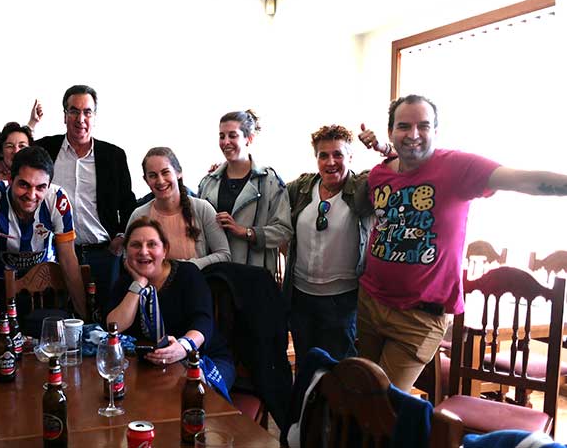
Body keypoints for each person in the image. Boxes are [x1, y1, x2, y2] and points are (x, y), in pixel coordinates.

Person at [356, 94, 567, 391]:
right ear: (390, 131)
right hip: (369, 304)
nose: (414, 134)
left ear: (436, 131)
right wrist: (383, 149)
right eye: (403, 126)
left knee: (381, 401)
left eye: (423, 126)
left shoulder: (456, 167)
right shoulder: (379, 174)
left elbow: (520, 179)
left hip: (419, 318)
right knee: (359, 389)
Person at [0, 146, 87, 345]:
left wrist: (84, 317)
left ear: (49, 185)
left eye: (40, 187)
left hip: (42, 286)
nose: (31, 195)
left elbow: (68, 259)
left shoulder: (58, 199)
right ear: (10, 179)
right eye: (24, 185)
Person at [106, 216, 235, 395]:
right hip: (154, 366)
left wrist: (183, 347)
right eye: (135, 245)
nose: (143, 251)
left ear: (165, 250)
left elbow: (203, 322)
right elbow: (114, 327)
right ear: (127, 251)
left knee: (190, 394)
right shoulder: (125, 283)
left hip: (204, 358)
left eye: (152, 244)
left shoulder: (187, 274)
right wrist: (139, 285)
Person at [34, 86, 137, 309]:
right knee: (56, 318)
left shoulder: (113, 156)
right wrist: (31, 124)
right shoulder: (45, 149)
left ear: (94, 116)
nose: (80, 119)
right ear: (64, 115)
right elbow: (15, 153)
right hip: (53, 254)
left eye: (87, 112)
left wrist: (121, 236)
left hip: (102, 254)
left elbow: (128, 203)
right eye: (74, 111)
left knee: (104, 317)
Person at [285, 125, 375, 361]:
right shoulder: (301, 188)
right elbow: (270, 191)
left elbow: (398, 172)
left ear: (350, 157)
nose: (330, 162)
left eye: (338, 154)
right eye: (323, 155)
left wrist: (382, 147)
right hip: (301, 297)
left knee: (338, 369)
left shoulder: (362, 188)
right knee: (306, 364)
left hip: (342, 301)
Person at [198, 110, 292, 275]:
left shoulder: (270, 181)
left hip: (253, 275)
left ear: (249, 138)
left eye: (232, 135)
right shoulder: (208, 183)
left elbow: (284, 231)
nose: (226, 142)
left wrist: (246, 232)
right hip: (215, 276)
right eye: (222, 136)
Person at [129, 147, 230, 269]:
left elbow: (224, 255)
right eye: (153, 175)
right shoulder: (139, 215)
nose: (160, 181)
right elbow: (127, 259)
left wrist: (184, 268)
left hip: (197, 279)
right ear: (146, 180)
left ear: (178, 173)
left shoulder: (202, 209)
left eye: (165, 172)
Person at [0, 122, 33, 188]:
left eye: (22, 146)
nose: (16, 151)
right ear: (1, 152)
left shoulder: (40, 179)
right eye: (10, 146)